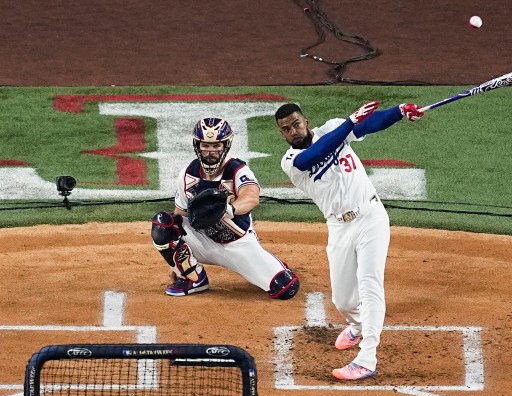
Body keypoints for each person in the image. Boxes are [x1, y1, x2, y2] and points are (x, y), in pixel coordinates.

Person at [275, 100, 424, 380]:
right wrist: (349, 123)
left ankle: (367, 359)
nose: (293, 131)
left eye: (296, 123)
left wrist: (400, 112)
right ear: (282, 134)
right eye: (286, 129)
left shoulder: (331, 128)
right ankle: (357, 326)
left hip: (370, 216)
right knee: (343, 300)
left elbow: (371, 123)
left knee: (369, 286)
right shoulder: (291, 163)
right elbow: (316, 154)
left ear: (306, 121)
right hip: (339, 227)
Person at [151, 117, 300, 300]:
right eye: (206, 145)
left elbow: (251, 196)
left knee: (286, 288)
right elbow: (180, 215)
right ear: (197, 145)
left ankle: (269, 263)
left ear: (226, 145)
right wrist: (176, 263)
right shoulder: (187, 173)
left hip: (238, 244)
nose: (210, 152)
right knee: (163, 224)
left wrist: (230, 209)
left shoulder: (238, 170)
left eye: (216, 146)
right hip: (203, 241)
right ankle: (194, 278)